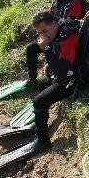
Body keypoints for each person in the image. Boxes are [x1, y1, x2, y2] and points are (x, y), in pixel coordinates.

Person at [28, 9, 79, 153]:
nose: (42, 35)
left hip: (73, 80)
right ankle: (40, 123)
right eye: (39, 33)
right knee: (43, 84)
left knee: (39, 101)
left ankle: (43, 141)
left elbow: (62, 73)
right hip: (66, 73)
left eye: (45, 30)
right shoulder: (58, 32)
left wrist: (47, 48)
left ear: (55, 23)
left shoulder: (69, 37)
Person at [26, 0, 83, 83]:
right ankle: (32, 80)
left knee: (50, 54)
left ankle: (51, 77)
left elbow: (71, 22)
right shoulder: (56, 2)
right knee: (31, 48)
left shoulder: (75, 3)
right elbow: (50, 16)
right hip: (53, 36)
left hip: (67, 40)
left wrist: (52, 23)